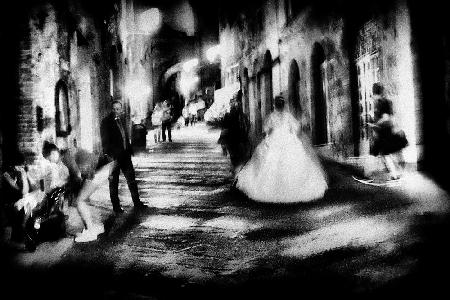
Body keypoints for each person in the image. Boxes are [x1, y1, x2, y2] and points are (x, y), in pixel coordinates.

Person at [236, 95, 328, 203]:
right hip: (288, 139)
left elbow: (266, 129)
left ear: (275, 105)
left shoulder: (272, 116)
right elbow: (297, 128)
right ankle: (293, 190)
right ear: (283, 105)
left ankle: (272, 191)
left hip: (275, 139)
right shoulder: (288, 116)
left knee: (270, 162)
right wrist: (292, 133)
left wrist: (268, 135)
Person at [100, 100, 145, 213]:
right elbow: (104, 141)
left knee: (131, 180)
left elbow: (125, 136)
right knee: (114, 183)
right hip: (114, 157)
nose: (116, 111)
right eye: (114, 109)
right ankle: (116, 207)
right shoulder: (106, 122)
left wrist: (129, 150)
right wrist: (108, 155)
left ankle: (137, 202)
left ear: (121, 110)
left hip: (125, 155)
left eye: (118, 109)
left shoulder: (122, 120)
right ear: (111, 109)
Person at [57, 139, 105, 243]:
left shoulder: (66, 157)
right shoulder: (72, 153)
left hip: (97, 171)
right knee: (81, 201)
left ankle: (90, 231)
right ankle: (93, 227)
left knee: (80, 202)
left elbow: (77, 174)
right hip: (100, 168)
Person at [369, 83, 408, 180]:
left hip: (385, 131)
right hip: (387, 130)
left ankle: (395, 173)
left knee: (386, 153)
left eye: (373, 93)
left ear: (375, 93)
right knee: (389, 151)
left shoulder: (382, 103)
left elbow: (386, 118)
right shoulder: (385, 102)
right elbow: (391, 117)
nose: (373, 96)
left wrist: (376, 124)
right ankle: (396, 172)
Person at [1, 152, 39, 250]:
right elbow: (22, 191)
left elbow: (35, 187)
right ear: (13, 165)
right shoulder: (6, 175)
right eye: (19, 165)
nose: (21, 167)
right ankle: (23, 229)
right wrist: (23, 176)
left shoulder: (20, 172)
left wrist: (27, 175)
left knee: (31, 200)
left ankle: (25, 226)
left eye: (22, 165)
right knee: (27, 202)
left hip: (20, 200)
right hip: (9, 202)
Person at [218, 91, 251, 174]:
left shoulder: (243, 116)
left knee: (239, 159)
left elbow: (247, 127)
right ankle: (237, 174)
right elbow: (224, 129)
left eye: (236, 102)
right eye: (233, 102)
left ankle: (237, 174)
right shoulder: (230, 116)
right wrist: (223, 145)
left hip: (240, 141)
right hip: (233, 142)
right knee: (236, 159)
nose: (235, 104)